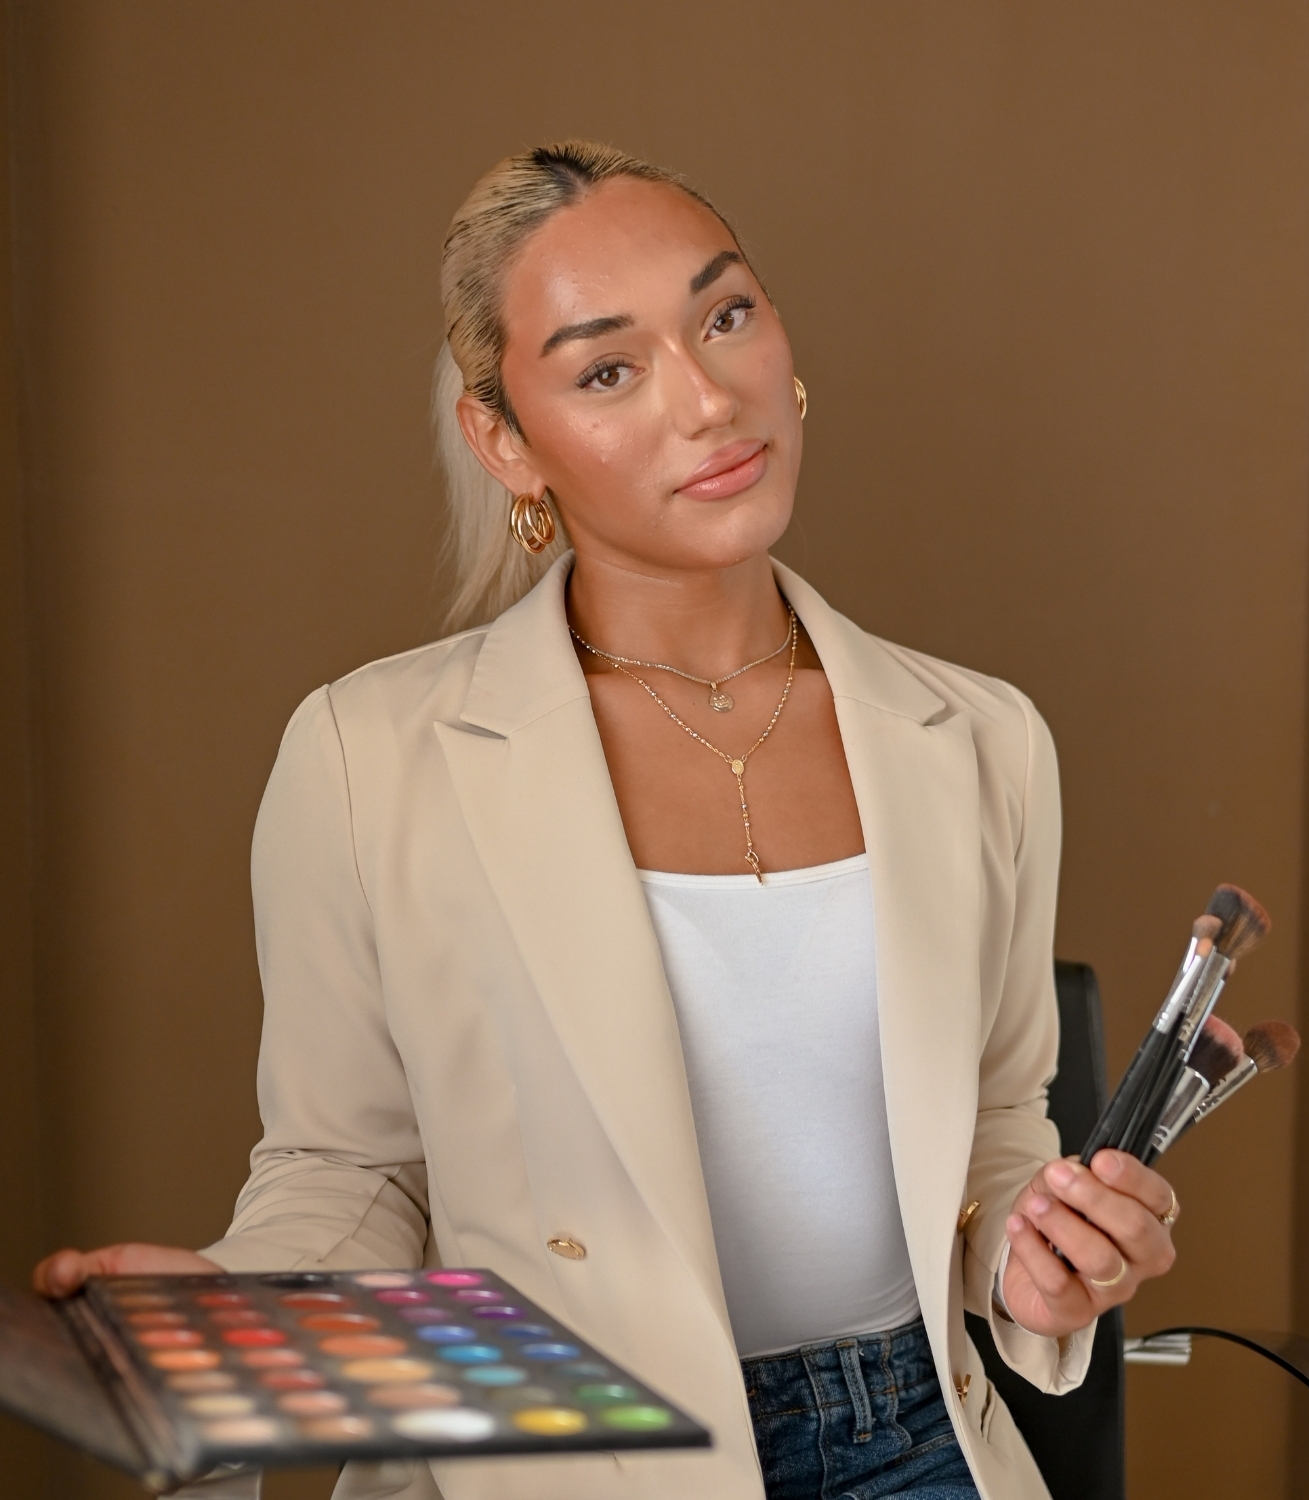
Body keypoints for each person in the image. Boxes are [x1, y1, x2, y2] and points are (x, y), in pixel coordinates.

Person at [35, 142, 1179, 1500]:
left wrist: (1041, 1257)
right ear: (506, 441)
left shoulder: (984, 741)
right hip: (562, 1455)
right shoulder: (368, 759)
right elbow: (353, 1170)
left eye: (727, 316)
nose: (708, 399)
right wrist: (242, 1301)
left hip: (923, 1445)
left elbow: (993, 1136)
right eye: (606, 369)